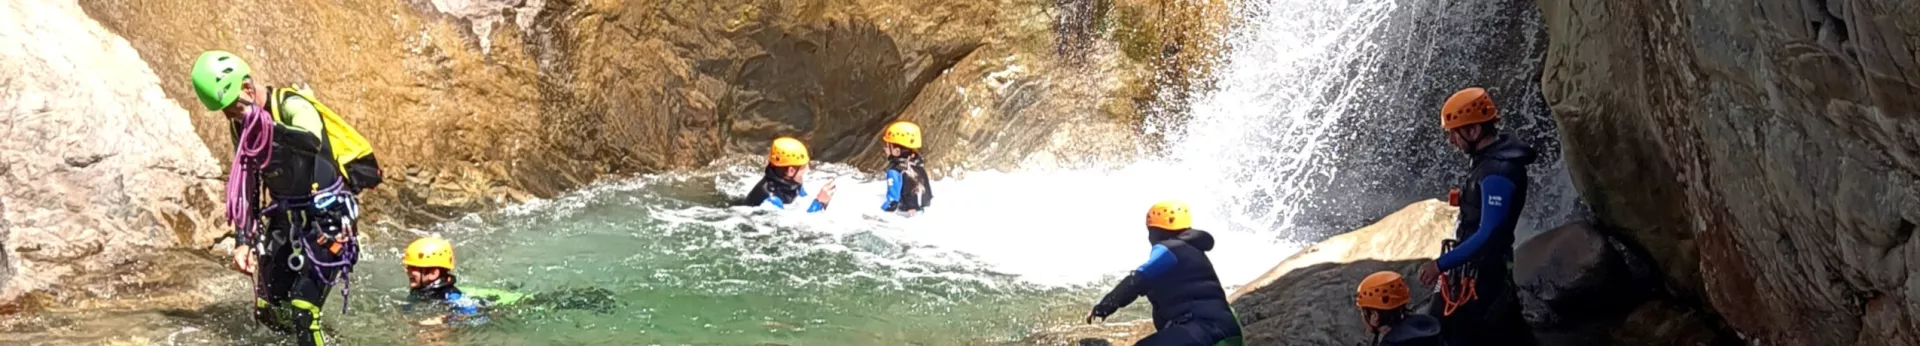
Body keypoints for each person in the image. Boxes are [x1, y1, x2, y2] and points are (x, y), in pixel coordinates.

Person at [194, 50, 374, 346]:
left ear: (247, 89)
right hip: (285, 220)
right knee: (269, 311)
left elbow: (311, 141)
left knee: (303, 311)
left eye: (231, 107)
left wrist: (268, 127)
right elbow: (248, 182)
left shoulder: (292, 105)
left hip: (328, 218)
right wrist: (243, 241)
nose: (229, 116)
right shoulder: (240, 125)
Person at [1416, 87, 1537, 346]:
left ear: (1473, 131)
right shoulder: (1488, 159)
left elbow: (1488, 233)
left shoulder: (1498, 171)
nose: (1451, 140)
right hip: (1473, 269)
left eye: (1454, 132)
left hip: (1483, 274)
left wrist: (1440, 265)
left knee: (1459, 332)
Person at [1085, 200, 1245, 346]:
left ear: (1156, 232)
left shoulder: (1170, 249)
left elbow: (1137, 280)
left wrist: (1104, 307)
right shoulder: (1192, 249)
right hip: (1225, 332)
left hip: (1204, 330)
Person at [401, 236, 525, 327]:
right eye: (407, 267)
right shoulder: (420, 289)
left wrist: (443, 320)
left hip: (487, 307)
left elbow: (475, 316)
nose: (407, 271)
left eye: (413, 268)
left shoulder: (451, 295)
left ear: (433, 273)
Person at [734, 137, 836, 212]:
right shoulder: (772, 200)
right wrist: (819, 203)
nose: (808, 169)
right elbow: (796, 230)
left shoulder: (791, 183)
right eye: (804, 167)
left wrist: (824, 200)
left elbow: (804, 200)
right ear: (791, 171)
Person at [1357, 271, 1444, 346]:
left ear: (1374, 315)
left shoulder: (1391, 342)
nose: (1361, 316)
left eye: (1361, 311)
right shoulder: (1427, 325)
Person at [877, 121, 933, 216]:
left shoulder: (894, 171)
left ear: (897, 151)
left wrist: (877, 213)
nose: (885, 149)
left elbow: (892, 202)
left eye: (887, 145)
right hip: (924, 212)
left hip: (904, 215)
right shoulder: (920, 168)